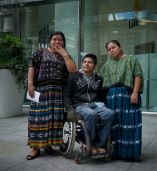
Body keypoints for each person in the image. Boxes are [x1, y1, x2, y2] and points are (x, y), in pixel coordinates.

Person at [27, 31, 77, 160]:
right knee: (38, 119)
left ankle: (49, 145)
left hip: (58, 92)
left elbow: (73, 71)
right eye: (54, 39)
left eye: (60, 40)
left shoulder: (65, 55)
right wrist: (30, 84)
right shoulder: (40, 52)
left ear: (64, 42)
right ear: (50, 41)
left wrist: (65, 54)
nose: (57, 42)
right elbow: (32, 66)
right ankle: (35, 148)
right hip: (41, 89)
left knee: (54, 120)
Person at [100, 40, 143, 161]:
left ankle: (132, 154)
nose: (111, 50)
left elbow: (138, 75)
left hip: (128, 95)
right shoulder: (106, 65)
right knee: (115, 124)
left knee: (131, 124)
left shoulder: (131, 59)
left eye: (114, 47)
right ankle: (115, 152)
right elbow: (103, 84)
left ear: (120, 47)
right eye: (109, 49)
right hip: (112, 97)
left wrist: (135, 93)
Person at [64, 53, 114, 154]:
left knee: (109, 113)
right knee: (91, 114)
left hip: (96, 104)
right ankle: (90, 143)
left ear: (95, 65)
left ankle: (100, 144)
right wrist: (70, 109)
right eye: (85, 62)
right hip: (79, 105)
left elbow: (100, 95)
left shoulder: (99, 79)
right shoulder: (74, 77)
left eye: (90, 62)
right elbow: (67, 95)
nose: (86, 64)